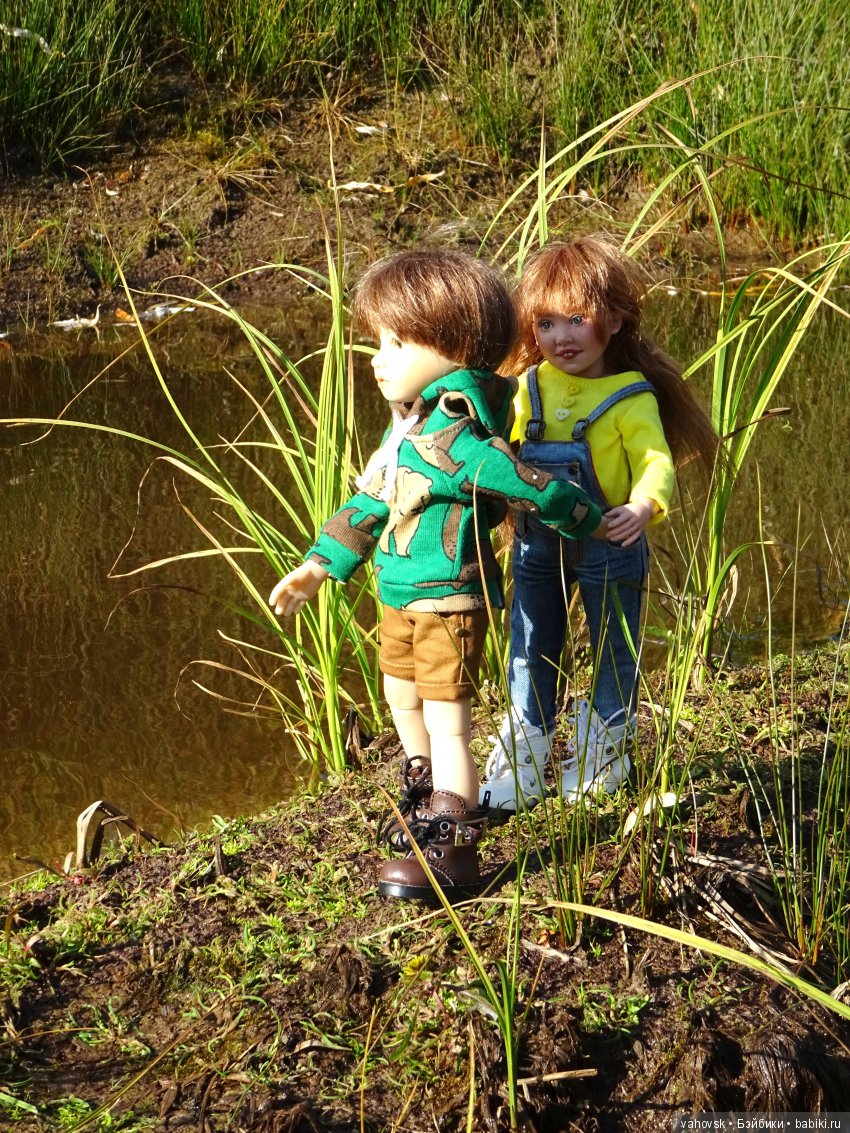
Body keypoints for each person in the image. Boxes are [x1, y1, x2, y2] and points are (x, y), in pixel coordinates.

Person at [269, 249, 608, 900]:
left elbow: (530, 485)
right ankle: (424, 801)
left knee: (448, 715)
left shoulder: (459, 441)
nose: (379, 357)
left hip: (449, 600)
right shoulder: (405, 436)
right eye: (380, 341)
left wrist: (586, 517)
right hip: (396, 597)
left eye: (398, 342)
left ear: (453, 347)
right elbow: (368, 504)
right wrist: (319, 564)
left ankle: (455, 845)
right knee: (401, 695)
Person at [480, 236, 719, 812]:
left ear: (612, 320)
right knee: (531, 639)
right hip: (538, 543)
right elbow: (505, 452)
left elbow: (656, 462)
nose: (561, 337)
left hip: (611, 539)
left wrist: (641, 508)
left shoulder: (629, 396)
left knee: (616, 644)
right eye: (546, 323)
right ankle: (526, 753)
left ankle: (604, 753)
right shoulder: (528, 387)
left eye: (578, 319)